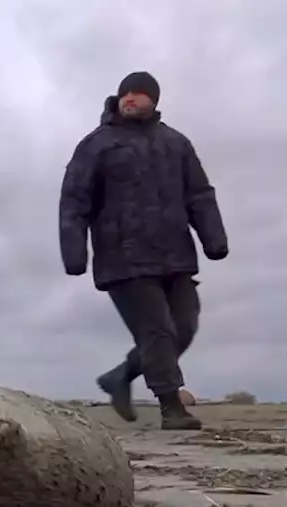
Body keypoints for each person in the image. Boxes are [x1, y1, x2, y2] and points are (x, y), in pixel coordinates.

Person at [60, 71, 227, 431]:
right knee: (158, 331)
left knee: (184, 327)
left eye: (138, 93)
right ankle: (171, 406)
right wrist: (75, 253)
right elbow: (74, 201)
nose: (130, 98)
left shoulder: (176, 143)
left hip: (175, 255)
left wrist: (214, 238)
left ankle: (121, 376)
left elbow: (199, 193)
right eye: (125, 93)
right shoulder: (96, 145)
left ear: (154, 100)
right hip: (123, 257)